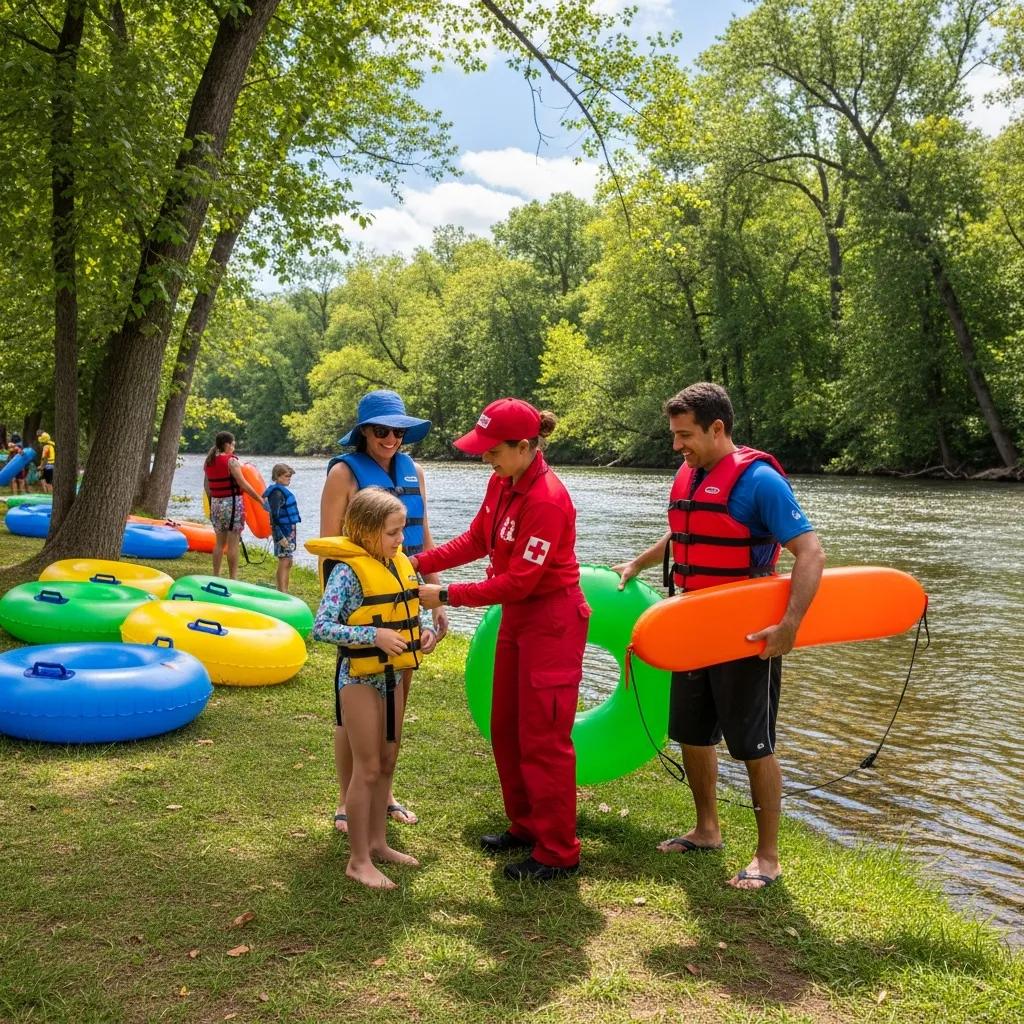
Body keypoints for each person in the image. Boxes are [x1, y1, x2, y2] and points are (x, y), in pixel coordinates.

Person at [613, 382, 825, 891]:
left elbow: (811, 553)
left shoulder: (761, 482)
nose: (676, 446)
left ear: (717, 428)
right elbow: (687, 527)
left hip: (745, 632)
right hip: (692, 623)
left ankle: (767, 858)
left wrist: (789, 626)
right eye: (674, 435)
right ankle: (707, 830)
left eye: (685, 435)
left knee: (753, 743)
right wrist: (640, 562)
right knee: (691, 731)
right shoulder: (691, 473)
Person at [417, 398, 590, 882]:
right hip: (517, 620)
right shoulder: (502, 481)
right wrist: (420, 562)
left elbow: (520, 582)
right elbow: (476, 539)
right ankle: (527, 824)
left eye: (493, 449)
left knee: (544, 738)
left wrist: (445, 592)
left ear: (525, 446)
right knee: (507, 725)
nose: (485, 457)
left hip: (552, 621)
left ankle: (559, 851)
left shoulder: (547, 500)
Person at [321, 389, 448, 834]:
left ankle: (384, 793)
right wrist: (344, 616)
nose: (391, 438)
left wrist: (434, 596)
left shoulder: (415, 472)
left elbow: (425, 536)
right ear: (363, 433)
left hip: (407, 600)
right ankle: (346, 798)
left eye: (398, 430)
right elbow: (330, 548)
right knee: (353, 706)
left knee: (396, 698)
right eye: (381, 430)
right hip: (360, 609)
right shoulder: (343, 473)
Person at [310, 487, 438, 890]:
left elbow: (413, 611)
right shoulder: (347, 572)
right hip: (359, 680)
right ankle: (358, 860)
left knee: (387, 762)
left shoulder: (399, 564)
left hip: (394, 676)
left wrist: (426, 632)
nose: (401, 540)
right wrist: (373, 636)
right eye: (392, 532)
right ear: (365, 532)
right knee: (366, 767)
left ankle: (380, 843)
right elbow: (322, 627)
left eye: (401, 531)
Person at [202, 431, 266, 580]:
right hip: (232, 505)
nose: (234, 447)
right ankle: (233, 578)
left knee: (219, 543)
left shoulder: (209, 462)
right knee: (233, 543)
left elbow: (207, 487)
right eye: (233, 444)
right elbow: (243, 484)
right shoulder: (232, 461)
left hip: (216, 504)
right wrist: (260, 500)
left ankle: (216, 575)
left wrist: (213, 504)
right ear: (227, 444)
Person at [263, 463, 300, 593]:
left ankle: (284, 590)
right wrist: (279, 536)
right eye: (286, 476)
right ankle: (282, 592)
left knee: (288, 561)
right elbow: (274, 517)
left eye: (290, 476)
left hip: (289, 530)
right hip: (282, 532)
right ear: (277, 477)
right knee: (284, 560)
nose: (289, 478)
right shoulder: (276, 494)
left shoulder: (281, 491)